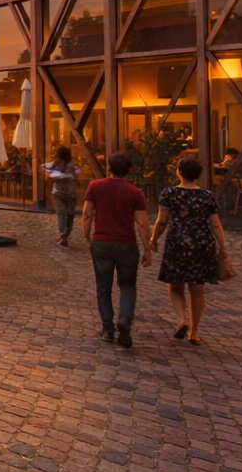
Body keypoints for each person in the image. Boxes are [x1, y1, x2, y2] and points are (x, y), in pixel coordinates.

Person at [147, 156, 227, 347]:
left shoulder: (169, 194)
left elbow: (162, 220)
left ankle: (181, 319)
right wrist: (223, 247)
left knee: (175, 286)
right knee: (197, 289)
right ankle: (194, 331)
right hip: (202, 243)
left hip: (177, 242)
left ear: (179, 172)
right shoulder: (207, 196)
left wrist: (153, 239)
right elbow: (216, 224)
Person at [79, 153, 151, 348]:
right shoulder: (135, 192)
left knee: (103, 286)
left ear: (109, 167)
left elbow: (87, 214)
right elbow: (143, 224)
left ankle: (108, 329)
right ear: (128, 171)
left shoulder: (95, 186)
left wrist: (87, 236)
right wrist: (147, 248)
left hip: (102, 242)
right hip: (127, 245)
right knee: (127, 285)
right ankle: (125, 319)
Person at [45, 144, 80, 247]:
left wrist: (50, 174)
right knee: (68, 214)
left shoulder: (62, 165)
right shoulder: (67, 164)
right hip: (68, 194)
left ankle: (63, 236)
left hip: (60, 193)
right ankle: (64, 236)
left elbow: (51, 174)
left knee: (64, 214)